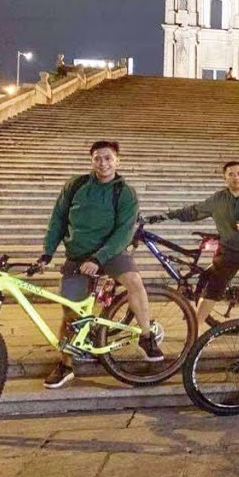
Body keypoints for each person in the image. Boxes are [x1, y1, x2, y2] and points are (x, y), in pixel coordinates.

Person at [34, 141, 160, 389]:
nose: (103, 163)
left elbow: (124, 232)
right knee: (71, 313)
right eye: (98, 158)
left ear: (117, 161)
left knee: (134, 281)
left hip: (112, 253)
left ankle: (146, 335)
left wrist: (98, 259)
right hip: (78, 255)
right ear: (91, 160)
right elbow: (58, 219)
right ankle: (66, 364)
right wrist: (47, 253)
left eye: (108, 158)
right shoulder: (76, 185)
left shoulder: (124, 192)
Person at [146, 162, 239, 338]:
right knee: (211, 292)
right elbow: (194, 211)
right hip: (228, 252)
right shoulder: (218, 199)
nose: (236, 177)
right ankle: (193, 332)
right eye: (231, 174)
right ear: (225, 178)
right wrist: (168, 215)